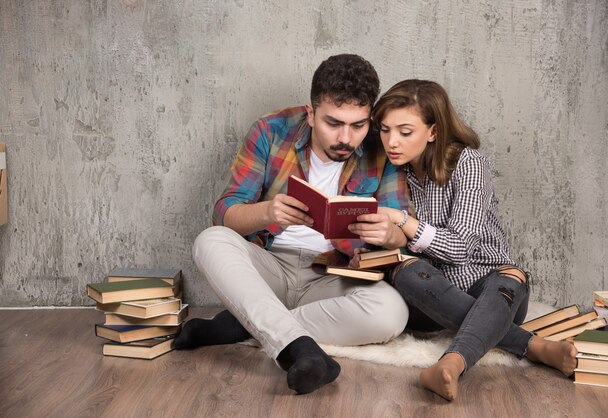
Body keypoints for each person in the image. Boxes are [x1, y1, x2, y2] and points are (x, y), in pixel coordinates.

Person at [174, 54, 410, 395]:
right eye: (334, 123)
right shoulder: (271, 130)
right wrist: (268, 212)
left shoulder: (380, 147)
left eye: (358, 125)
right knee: (210, 241)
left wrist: (390, 235)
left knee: (392, 313)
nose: (346, 137)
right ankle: (297, 349)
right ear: (311, 114)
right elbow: (225, 212)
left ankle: (246, 325)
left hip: (333, 276)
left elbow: (401, 231)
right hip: (270, 266)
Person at [348, 79, 578, 401]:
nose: (391, 141)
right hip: (427, 296)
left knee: (510, 279)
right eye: (385, 130)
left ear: (433, 132)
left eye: (405, 131)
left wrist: (402, 220)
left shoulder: (468, 163)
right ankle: (533, 345)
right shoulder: (388, 168)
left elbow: (460, 248)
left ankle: (451, 364)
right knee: (407, 272)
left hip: (490, 284)